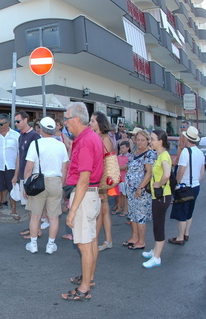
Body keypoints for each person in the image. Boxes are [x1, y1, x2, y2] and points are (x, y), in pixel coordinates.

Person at [61, 102, 104, 301]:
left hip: (84, 195)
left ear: (76, 119)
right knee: (91, 239)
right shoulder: (90, 137)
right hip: (90, 195)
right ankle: (89, 277)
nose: (65, 123)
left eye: (66, 119)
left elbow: (84, 178)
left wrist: (72, 209)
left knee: (84, 244)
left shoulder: (86, 140)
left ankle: (84, 287)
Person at [24, 117, 68, 254]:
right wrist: (61, 185)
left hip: (38, 182)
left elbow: (28, 168)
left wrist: (26, 185)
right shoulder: (61, 145)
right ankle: (50, 245)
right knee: (54, 217)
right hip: (55, 181)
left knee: (35, 216)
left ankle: (33, 244)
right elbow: (64, 169)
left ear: (41, 129)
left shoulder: (35, 144)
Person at [168, 126, 205, 245]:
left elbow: (181, 170)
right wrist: (195, 181)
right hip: (195, 186)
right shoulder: (199, 152)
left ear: (187, 139)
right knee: (190, 211)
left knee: (182, 213)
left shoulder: (185, 152)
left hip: (185, 186)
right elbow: (202, 172)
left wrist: (176, 184)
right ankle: (186, 233)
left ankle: (180, 237)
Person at [141, 129, 172, 268]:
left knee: (159, 227)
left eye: (152, 139)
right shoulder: (160, 155)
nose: (150, 141)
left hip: (162, 196)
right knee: (156, 225)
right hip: (158, 196)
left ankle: (157, 257)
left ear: (160, 141)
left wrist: (158, 184)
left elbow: (167, 174)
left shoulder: (164, 156)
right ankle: (155, 251)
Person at [123, 130, 155, 250]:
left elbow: (149, 173)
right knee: (132, 214)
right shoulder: (134, 152)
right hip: (130, 189)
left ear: (147, 141)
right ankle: (134, 237)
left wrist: (140, 188)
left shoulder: (150, 154)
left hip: (141, 190)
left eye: (143, 140)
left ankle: (141, 241)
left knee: (140, 215)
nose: (140, 142)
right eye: (138, 140)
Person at [89, 111, 115, 252]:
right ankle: (107, 240)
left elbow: (106, 160)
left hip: (101, 179)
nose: (90, 123)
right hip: (97, 178)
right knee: (103, 210)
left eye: (93, 121)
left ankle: (96, 240)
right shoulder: (97, 137)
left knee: (101, 210)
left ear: (100, 123)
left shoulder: (104, 138)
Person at [12, 111, 41, 238]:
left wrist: (31, 177)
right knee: (29, 206)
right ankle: (32, 228)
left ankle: (36, 231)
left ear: (25, 120)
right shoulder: (21, 136)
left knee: (33, 206)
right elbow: (19, 157)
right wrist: (16, 175)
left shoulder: (34, 136)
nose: (16, 124)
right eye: (15, 121)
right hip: (23, 176)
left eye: (18, 121)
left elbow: (38, 158)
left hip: (31, 177)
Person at [0, 113, 20, 221]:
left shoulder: (16, 135)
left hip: (11, 167)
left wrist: (18, 170)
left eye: (1, 123)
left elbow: (19, 154)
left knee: (12, 189)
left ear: (7, 123)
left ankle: (14, 210)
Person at [113, 141, 130, 216]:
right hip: (119, 178)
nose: (122, 149)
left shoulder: (129, 157)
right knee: (119, 194)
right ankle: (119, 208)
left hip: (125, 179)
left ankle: (126, 210)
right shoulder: (118, 157)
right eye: (121, 148)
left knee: (125, 195)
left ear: (128, 148)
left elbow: (125, 167)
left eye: (123, 148)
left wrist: (117, 168)